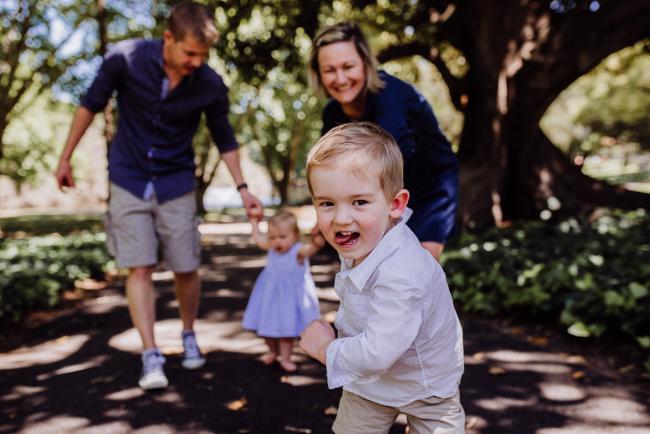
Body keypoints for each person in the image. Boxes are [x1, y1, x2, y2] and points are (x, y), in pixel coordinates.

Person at [54, 1, 262, 390]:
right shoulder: (126, 59)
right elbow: (89, 105)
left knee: (185, 266)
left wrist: (243, 188)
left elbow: (225, 138)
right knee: (141, 266)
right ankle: (151, 353)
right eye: (190, 53)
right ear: (168, 38)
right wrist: (65, 157)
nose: (197, 62)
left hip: (176, 180)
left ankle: (187, 333)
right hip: (128, 177)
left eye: (203, 55)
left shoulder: (210, 83)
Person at [299, 122, 465, 433]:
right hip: (370, 384)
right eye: (326, 203)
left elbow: (377, 352)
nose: (341, 218)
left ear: (395, 205)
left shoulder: (403, 272)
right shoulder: (361, 235)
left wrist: (325, 348)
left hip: (427, 383)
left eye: (359, 201)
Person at [309, 21, 459, 261]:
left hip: (430, 190)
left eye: (348, 66)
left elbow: (384, 162)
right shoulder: (332, 114)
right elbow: (331, 168)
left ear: (366, 65)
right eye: (329, 70)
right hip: (381, 195)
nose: (341, 78)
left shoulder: (391, 97)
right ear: (318, 74)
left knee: (415, 270)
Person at [242, 209, 324, 372]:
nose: (276, 242)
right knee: (266, 328)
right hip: (269, 297)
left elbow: (313, 248)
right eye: (272, 237)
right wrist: (253, 221)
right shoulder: (271, 248)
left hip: (289, 300)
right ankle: (273, 351)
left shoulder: (298, 251)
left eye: (282, 237)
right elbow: (258, 238)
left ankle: (285, 358)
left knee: (286, 331)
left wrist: (317, 239)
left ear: (294, 235)